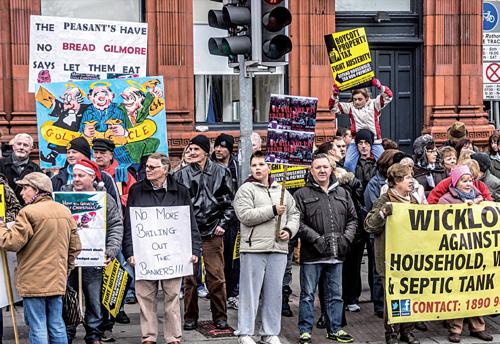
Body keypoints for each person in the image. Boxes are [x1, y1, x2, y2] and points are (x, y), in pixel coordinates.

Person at [123, 153, 201, 344]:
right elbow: (129, 224)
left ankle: (173, 337)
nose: (147, 170)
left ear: (165, 169)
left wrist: (195, 250)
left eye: (152, 167)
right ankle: (148, 337)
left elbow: (189, 222)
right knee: (145, 297)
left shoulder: (180, 191)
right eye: (147, 167)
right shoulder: (136, 190)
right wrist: (130, 252)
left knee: (172, 297)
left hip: (172, 255)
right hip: (145, 254)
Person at [0, 172, 81, 344]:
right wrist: (65, 270)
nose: (21, 193)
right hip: (57, 278)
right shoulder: (64, 211)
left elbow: (11, 242)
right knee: (57, 324)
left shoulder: (28, 212)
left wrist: (0, 226)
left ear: (37, 190)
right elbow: (75, 247)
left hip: (33, 280)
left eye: (25, 188)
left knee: (37, 326)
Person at [233, 150, 300, 344]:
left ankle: (269, 332)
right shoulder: (246, 189)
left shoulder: (281, 190)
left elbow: (294, 213)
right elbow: (245, 215)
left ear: (269, 167)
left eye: (261, 164)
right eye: (254, 165)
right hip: (253, 248)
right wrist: (272, 211)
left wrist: (289, 229)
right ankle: (245, 332)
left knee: (274, 293)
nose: (257, 168)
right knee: (250, 293)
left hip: (278, 247)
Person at [174, 134, 235, 330]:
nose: (191, 152)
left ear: (205, 152)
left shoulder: (221, 172)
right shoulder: (180, 175)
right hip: (189, 234)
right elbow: (175, 205)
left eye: (195, 149)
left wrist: (222, 224)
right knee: (190, 279)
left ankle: (220, 315)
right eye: (189, 149)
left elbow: (230, 203)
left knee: (216, 277)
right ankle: (190, 316)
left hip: (212, 232)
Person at [294, 153, 357, 344]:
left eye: (325, 167)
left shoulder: (343, 193)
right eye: (317, 167)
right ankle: (305, 331)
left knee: (336, 295)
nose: (322, 170)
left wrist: (346, 238)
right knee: (307, 295)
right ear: (311, 170)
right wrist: (316, 240)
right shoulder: (301, 194)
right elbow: (298, 222)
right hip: (312, 254)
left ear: (331, 170)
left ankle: (335, 329)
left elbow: (353, 219)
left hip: (337, 253)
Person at [62, 159, 123, 344]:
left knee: (94, 298)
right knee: (68, 297)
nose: (76, 179)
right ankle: (67, 333)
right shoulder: (62, 196)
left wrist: (111, 250)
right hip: (68, 258)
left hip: (94, 257)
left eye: (81, 175)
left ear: (92, 177)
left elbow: (115, 224)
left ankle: (94, 334)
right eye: (74, 175)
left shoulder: (105, 198)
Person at [364, 163, 420, 344]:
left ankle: (408, 331)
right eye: (407, 178)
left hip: (410, 258)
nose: (411, 181)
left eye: (411, 177)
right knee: (392, 297)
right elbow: (369, 225)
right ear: (396, 182)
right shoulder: (384, 200)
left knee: (409, 295)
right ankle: (392, 333)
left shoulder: (413, 201)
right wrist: (382, 213)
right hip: (389, 258)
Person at [437, 165, 493, 343]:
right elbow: (441, 222)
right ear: (455, 182)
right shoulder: (446, 200)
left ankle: (478, 327)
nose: (468, 184)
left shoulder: (480, 198)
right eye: (464, 180)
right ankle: (455, 329)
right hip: (455, 254)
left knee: (476, 289)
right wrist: (464, 207)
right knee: (457, 290)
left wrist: (480, 205)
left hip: (476, 253)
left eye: (470, 180)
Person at [329, 78, 393, 172]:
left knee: (385, 163)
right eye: (354, 99)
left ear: (366, 98)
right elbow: (333, 108)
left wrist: (380, 86)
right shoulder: (350, 106)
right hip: (356, 141)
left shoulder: (375, 104)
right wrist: (335, 95)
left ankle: (384, 183)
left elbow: (389, 96)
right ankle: (352, 183)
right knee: (348, 163)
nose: (357, 102)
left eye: (360, 99)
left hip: (375, 141)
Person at [211, 133, 240, 310]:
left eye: (223, 147)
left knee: (232, 258)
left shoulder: (237, 165)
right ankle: (216, 293)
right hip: (213, 218)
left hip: (233, 219)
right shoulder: (209, 165)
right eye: (217, 146)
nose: (219, 150)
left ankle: (231, 293)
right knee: (214, 260)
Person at [93, 138, 137, 208]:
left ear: (111, 155)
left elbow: (135, 194)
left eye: (102, 153)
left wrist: (115, 201)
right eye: (95, 152)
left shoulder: (121, 172)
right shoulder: (90, 172)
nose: (98, 156)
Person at [0, 133, 42, 204]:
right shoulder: (0, 164)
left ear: (30, 149)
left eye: (25, 145)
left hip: (27, 211)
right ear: (13, 146)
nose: (21, 147)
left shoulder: (36, 170)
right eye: (19, 144)